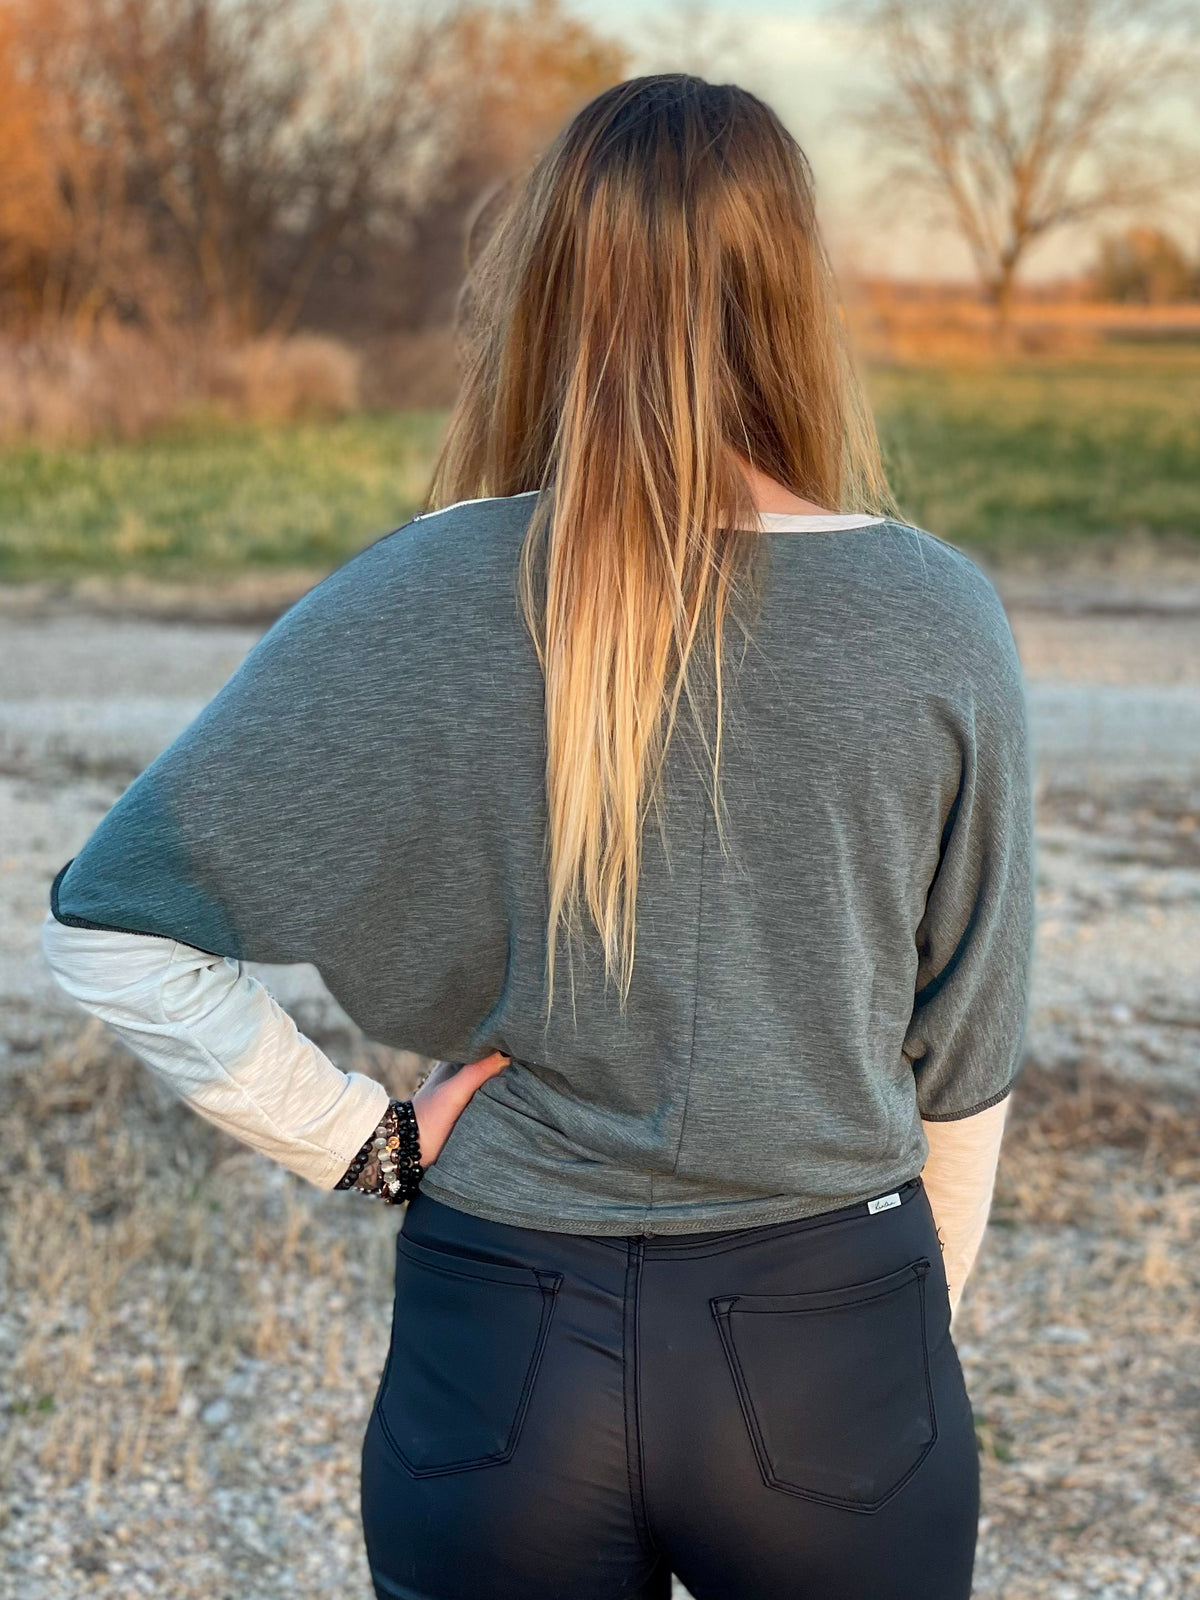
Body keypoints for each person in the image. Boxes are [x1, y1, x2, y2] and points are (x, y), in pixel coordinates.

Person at [43, 74, 1035, 1600]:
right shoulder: (938, 616)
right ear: (788, 291)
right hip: (832, 1337)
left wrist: (356, 1145)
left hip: (503, 1351)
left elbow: (107, 926)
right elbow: (964, 1066)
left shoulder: (420, 592)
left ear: (552, 284)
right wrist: (900, 1344)